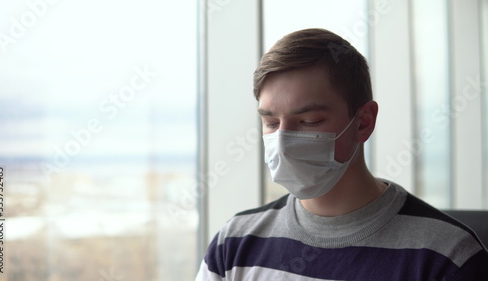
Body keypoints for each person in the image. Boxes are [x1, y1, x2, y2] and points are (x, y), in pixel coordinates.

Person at [195, 28, 488, 280]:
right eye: (271, 123)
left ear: (363, 122)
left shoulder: (448, 257)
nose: (282, 142)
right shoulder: (234, 243)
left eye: (309, 121)